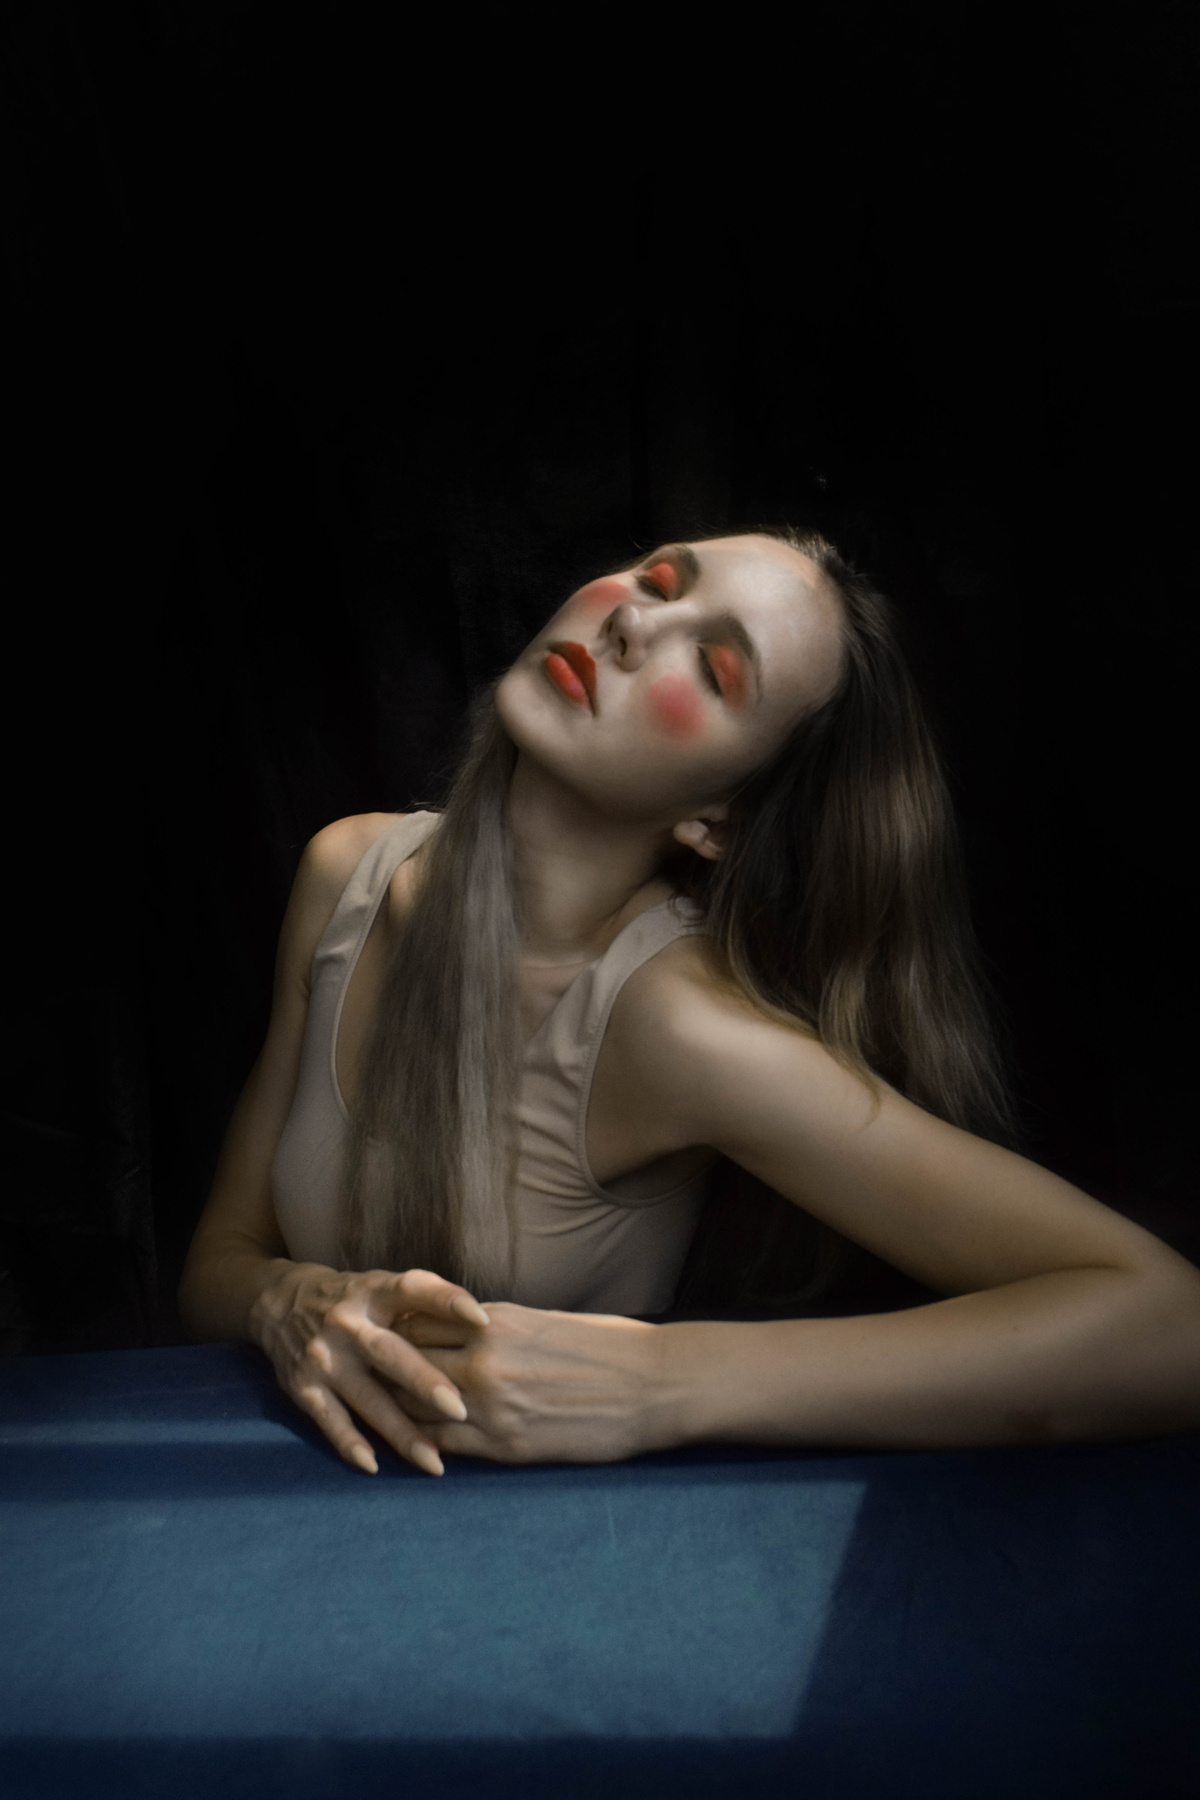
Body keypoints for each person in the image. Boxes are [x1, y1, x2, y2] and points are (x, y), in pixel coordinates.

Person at [179, 528, 1200, 1476]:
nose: (632, 621)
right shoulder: (346, 873)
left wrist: (658, 1385)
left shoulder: (677, 1027)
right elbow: (218, 1265)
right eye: (657, 581)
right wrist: (290, 1303)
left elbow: (1172, 1324)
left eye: (713, 669)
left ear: (720, 821)